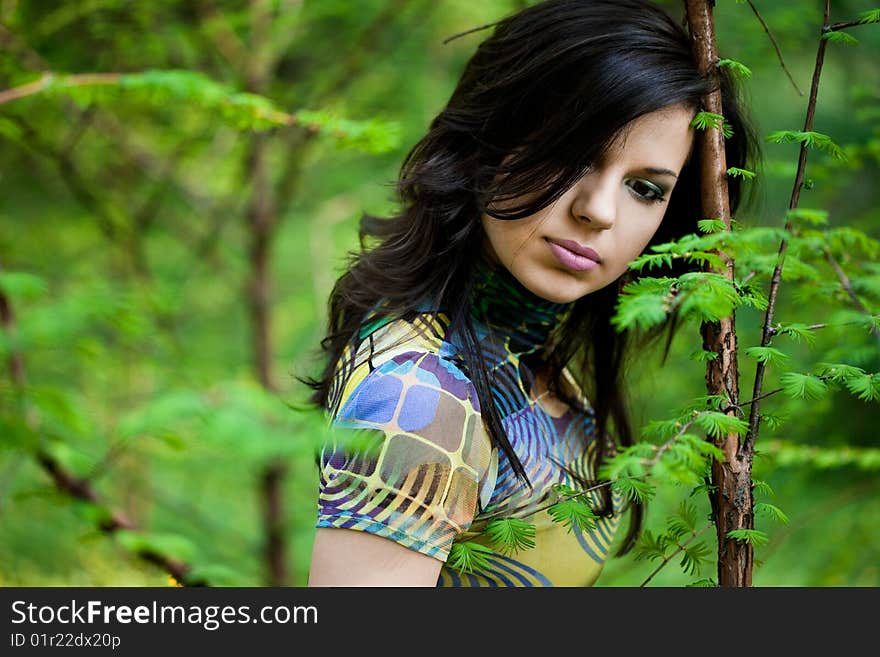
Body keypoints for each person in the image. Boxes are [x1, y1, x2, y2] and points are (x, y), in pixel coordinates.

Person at [302, 0, 756, 587]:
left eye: (644, 188)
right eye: (571, 157)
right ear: (488, 139)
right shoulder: (419, 396)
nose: (597, 210)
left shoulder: (529, 367)